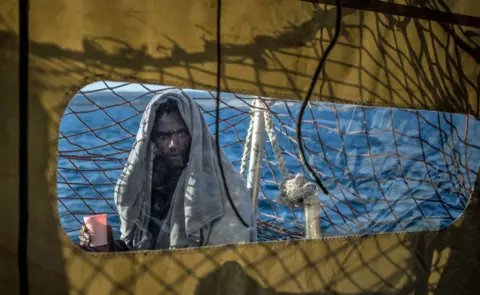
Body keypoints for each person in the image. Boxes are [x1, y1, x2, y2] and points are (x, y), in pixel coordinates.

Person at [79, 89, 257, 251]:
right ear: (153, 139)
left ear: (195, 135)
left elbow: (229, 262)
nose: (173, 144)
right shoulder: (146, 185)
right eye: (164, 136)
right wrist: (109, 247)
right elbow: (141, 251)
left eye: (181, 133)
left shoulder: (227, 189)